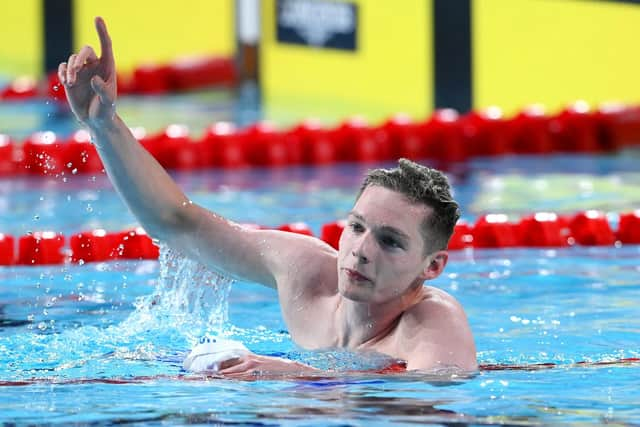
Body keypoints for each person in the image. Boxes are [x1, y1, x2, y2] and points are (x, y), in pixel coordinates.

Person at [58, 17, 477, 377]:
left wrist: (305, 377)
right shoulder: (305, 272)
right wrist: (105, 126)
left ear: (433, 265)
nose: (360, 251)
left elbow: (430, 394)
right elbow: (176, 223)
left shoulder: (432, 322)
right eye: (356, 227)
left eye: (390, 240)